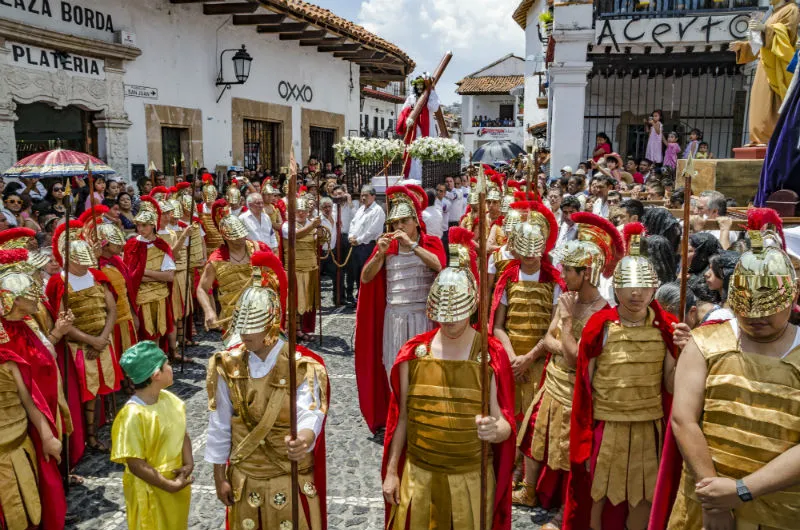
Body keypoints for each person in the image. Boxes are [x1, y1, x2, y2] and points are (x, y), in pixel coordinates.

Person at [651, 228, 800, 529]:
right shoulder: (705, 342)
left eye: (768, 310)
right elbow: (683, 420)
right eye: (748, 311)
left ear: (793, 294)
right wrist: (714, 499)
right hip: (706, 502)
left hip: (782, 509)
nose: (757, 319)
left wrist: (742, 490)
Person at [381, 227, 515, 529]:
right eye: (443, 313)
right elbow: (401, 419)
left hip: (471, 478)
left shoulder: (489, 355)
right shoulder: (413, 354)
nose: (450, 320)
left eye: (457, 312)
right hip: (419, 476)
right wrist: (392, 471)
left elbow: (504, 421)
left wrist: (498, 430)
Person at [564, 222, 678, 530]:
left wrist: (684, 352)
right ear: (617, 287)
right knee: (599, 494)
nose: (637, 293)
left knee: (643, 496)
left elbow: (670, 385)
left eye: (643, 286)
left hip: (648, 426)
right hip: (607, 424)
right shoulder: (599, 326)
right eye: (629, 285)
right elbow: (585, 387)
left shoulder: (667, 329)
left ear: (655, 286)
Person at [514, 213, 624, 526]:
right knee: (536, 433)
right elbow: (548, 339)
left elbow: (577, 359)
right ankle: (528, 489)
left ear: (585, 273)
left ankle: (565, 510)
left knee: (567, 450)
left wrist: (564, 325)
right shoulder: (567, 297)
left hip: (576, 388)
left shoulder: (602, 312)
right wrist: (563, 340)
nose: (562, 274)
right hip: (553, 379)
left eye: (568, 270)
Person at [206, 251, 329, 530]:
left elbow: (310, 409)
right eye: (243, 330)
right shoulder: (228, 365)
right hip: (244, 478)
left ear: (271, 327)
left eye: (253, 330)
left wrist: (305, 437)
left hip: (288, 477)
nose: (245, 337)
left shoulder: (301, 366)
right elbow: (220, 423)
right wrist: (218, 475)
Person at [354, 186, 446, 433]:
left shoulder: (431, 242)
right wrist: (378, 257)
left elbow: (439, 265)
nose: (399, 227)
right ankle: (398, 418)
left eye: (404, 221)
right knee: (393, 368)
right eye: (395, 222)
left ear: (416, 221)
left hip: (422, 318)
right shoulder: (386, 247)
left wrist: (413, 246)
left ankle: (421, 418)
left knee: (422, 368)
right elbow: (365, 278)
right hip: (393, 317)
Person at [0, 250, 71, 530]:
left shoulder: (19, 330)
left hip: (24, 428)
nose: (37, 294)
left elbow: (28, 393)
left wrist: (45, 434)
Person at [47, 219, 121, 453]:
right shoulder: (58, 282)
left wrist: (103, 337)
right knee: (85, 393)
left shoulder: (97, 276)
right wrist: (91, 341)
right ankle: (86, 435)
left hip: (102, 341)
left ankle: (99, 430)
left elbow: (112, 309)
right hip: (77, 347)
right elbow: (62, 322)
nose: (84, 267)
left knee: (103, 389)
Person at [491, 202, 563, 420]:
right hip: (511, 360)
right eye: (525, 249)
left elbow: (553, 328)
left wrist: (529, 359)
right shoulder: (508, 278)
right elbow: (497, 326)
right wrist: (514, 360)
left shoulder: (554, 281)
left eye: (535, 250)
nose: (530, 255)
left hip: (540, 359)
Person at [110, 341, 192, 530]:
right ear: (156, 375)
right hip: (152, 490)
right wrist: (168, 485)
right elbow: (136, 464)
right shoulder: (132, 416)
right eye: (167, 365)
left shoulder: (170, 400)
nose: (171, 368)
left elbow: (182, 433)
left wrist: (188, 464)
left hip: (176, 484)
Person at [729, 0, 799, 145]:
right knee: (758, 102)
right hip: (764, 64)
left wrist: (764, 28)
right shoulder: (772, 12)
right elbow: (761, 42)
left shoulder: (791, 9)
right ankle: (758, 138)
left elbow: (787, 37)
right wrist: (743, 46)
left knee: (771, 102)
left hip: (777, 66)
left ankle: (770, 139)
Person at [197, 199, 271, 332]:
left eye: (243, 234)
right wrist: (209, 311)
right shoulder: (216, 260)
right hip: (233, 321)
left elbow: (275, 276)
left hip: (262, 315)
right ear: (226, 237)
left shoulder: (259, 248)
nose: (242, 238)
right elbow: (202, 288)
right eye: (236, 237)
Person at [81, 208, 140, 368]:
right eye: (116, 242)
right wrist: (93, 260)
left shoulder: (117, 261)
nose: (121, 244)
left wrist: (134, 314)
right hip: (109, 321)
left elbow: (128, 289)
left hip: (125, 314)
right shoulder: (94, 268)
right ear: (105, 245)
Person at [124, 196, 176, 352]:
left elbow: (169, 276)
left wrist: (143, 273)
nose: (140, 229)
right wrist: (150, 275)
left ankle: (158, 365)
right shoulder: (132, 245)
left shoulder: (161, 245)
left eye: (144, 225)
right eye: (138, 225)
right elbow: (130, 276)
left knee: (157, 332)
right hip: (139, 297)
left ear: (153, 225)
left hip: (159, 296)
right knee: (141, 335)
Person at [281, 193, 322, 341]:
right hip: (294, 268)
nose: (301, 213)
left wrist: (321, 234)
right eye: (298, 211)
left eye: (304, 211)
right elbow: (294, 235)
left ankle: (299, 330)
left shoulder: (311, 223)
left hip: (310, 267)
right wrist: (312, 226)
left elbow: (318, 241)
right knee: (291, 302)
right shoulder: (287, 224)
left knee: (304, 303)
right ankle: (286, 331)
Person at [397, 75, 441, 180]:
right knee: (412, 153)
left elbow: (434, 107)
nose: (420, 87)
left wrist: (431, 93)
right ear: (415, 86)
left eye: (422, 85)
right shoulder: (411, 98)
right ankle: (412, 178)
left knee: (426, 150)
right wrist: (412, 109)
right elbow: (404, 110)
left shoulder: (429, 95)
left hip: (426, 128)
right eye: (418, 85)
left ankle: (426, 177)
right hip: (414, 128)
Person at [348, 185, 385, 300]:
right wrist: (350, 236)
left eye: (366, 195)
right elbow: (353, 223)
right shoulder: (360, 209)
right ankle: (360, 296)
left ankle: (367, 298)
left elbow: (372, 231)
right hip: (356, 246)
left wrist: (358, 240)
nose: (363, 198)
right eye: (362, 195)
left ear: (373, 196)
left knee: (367, 273)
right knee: (357, 273)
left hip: (368, 246)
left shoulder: (377, 211)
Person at [198, 173, 224, 252]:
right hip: (206, 243)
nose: (209, 201)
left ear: (215, 194)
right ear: (203, 196)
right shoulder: (199, 208)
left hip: (221, 243)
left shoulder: (221, 207)